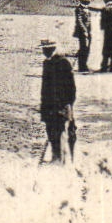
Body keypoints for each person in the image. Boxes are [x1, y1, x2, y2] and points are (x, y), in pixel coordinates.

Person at [38, 38, 76, 166]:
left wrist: (68, 104)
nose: (44, 52)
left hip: (60, 104)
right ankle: (56, 156)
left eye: (45, 49)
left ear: (51, 49)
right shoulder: (47, 63)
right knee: (50, 130)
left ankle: (60, 159)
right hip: (49, 104)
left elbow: (71, 87)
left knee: (59, 131)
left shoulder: (63, 63)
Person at [73, 0, 94, 73]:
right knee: (83, 48)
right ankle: (82, 66)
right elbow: (79, 21)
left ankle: (84, 64)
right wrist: (85, 31)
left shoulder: (86, 8)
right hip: (82, 32)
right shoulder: (79, 9)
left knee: (87, 48)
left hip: (88, 31)